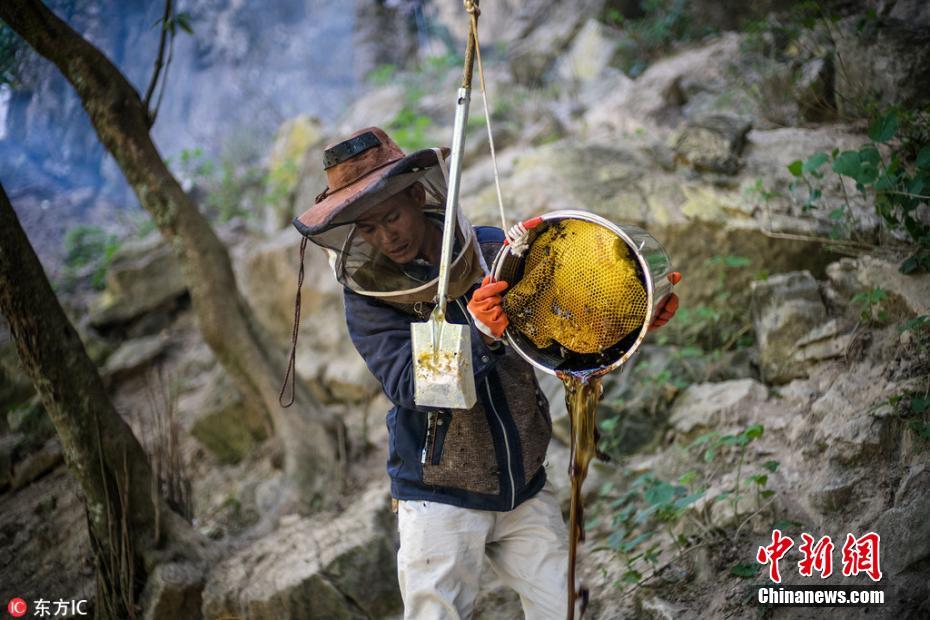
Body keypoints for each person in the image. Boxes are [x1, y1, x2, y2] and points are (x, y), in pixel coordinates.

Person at [290, 127, 680, 619]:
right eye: (367, 229)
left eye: (391, 216)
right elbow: (412, 385)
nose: (386, 237)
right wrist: (479, 332)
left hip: (524, 481)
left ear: (418, 194)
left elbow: (565, 329)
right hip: (438, 495)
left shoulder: (496, 249)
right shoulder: (367, 299)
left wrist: (636, 315)